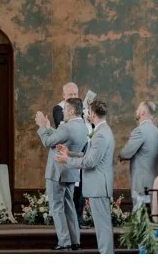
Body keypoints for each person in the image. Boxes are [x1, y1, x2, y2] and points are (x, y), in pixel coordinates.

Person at [55, 99, 116, 253]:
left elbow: (90, 162)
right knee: (103, 226)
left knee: (103, 227)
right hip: (99, 186)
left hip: (98, 187)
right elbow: (88, 155)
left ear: (93, 114)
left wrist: (67, 160)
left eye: (88, 111)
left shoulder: (101, 135)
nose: (85, 113)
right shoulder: (102, 131)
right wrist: (70, 153)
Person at [37, 97, 88, 250]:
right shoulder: (83, 126)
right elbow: (59, 136)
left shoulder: (66, 127)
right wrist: (48, 126)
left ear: (72, 111)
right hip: (71, 172)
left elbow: (48, 142)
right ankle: (74, 241)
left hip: (57, 172)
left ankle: (64, 242)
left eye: (65, 109)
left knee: (57, 207)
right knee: (69, 206)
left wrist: (41, 127)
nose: (63, 112)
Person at [119, 102, 158, 212]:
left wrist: (120, 155)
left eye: (138, 109)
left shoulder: (139, 131)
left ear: (142, 112)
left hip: (141, 183)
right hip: (153, 181)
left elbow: (126, 153)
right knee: (151, 215)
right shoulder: (157, 132)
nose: (136, 112)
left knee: (140, 217)